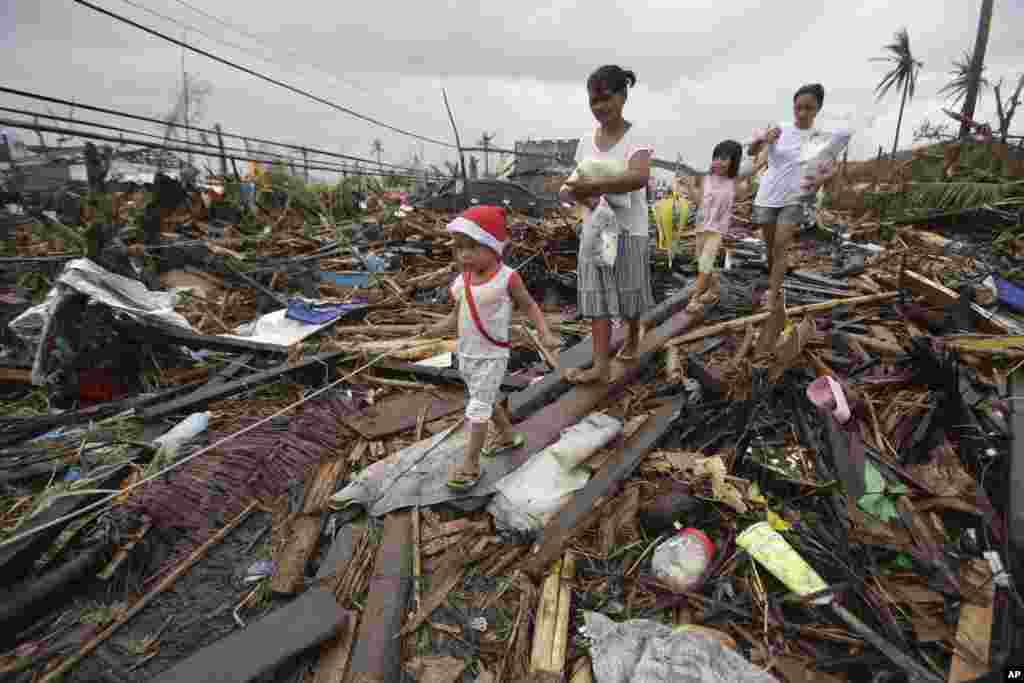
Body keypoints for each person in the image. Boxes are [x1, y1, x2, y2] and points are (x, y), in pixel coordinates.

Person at [422, 206, 561, 491]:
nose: (464, 255)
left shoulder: (506, 278)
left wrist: (544, 332)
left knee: (477, 407)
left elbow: (529, 306)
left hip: (493, 355)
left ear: (493, 247)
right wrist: (431, 330)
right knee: (484, 398)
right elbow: (454, 318)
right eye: (460, 249)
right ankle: (509, 435)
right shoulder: (461, 282)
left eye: (473, 247)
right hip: (467, 354)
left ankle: (470, 464)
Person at [560, 65, 655, 384]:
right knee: (596, 297)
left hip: (629, 229)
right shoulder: (586, 141)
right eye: (593, 101)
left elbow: (639, 176)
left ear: (623, 95)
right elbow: (575, 181)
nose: (599, 107)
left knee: (629, 297)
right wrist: (573, 191)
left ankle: (631, 334)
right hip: (596, 230)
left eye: (605, 98)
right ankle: (600, 365)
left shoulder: (637, 137)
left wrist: (595, 188)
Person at [748, 83, 839, 312]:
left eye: (809, 108)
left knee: (781, 246)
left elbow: (830, 170)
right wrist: (763, 140)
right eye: (798, 107)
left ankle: (773, 293)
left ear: (818, 109)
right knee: (770, 248)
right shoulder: (780, 129)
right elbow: (752, 152)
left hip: (795, 198)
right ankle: (773, 280)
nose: (802, 113)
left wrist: (819, 182)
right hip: (768, 196)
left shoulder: (820, 138)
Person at [683, 140, 754, 311]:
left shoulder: (735, 181)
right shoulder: (706, 178)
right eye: (717, 157)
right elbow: (699, 201)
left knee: (705, 263)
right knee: (702, 262)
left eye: (724, 158)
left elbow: (757, 164)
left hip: (717, 230)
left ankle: (695, 298)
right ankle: (713, 288)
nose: (719, 162)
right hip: (701, 227)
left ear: (734, 161)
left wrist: (765, 143)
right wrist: (690, 186)